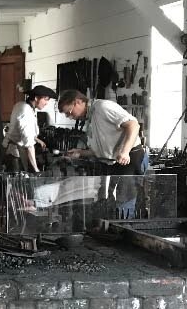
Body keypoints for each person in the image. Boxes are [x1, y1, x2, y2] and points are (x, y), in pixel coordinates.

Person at [57, 89, 149, 217]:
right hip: (115, 163)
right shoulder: (91, 118)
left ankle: (127, 230)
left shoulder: (102, 107)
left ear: (78, 102)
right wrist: (81, 153)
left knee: (125, 202)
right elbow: (101, 150)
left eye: (70, 113)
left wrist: (125, 151)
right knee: (110, 201)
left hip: (130, 158)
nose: (70, 117)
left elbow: (133, 125)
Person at [4, 84, 57, 173]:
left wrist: (37, 139)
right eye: (45, 99)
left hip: (14, 152)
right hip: (15, 156)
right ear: (36, 98)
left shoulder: (22, 105)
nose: (46, 103)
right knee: (18, 184)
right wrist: (36, 169)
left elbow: (24, 131)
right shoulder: (26, 111)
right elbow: (29, 144)